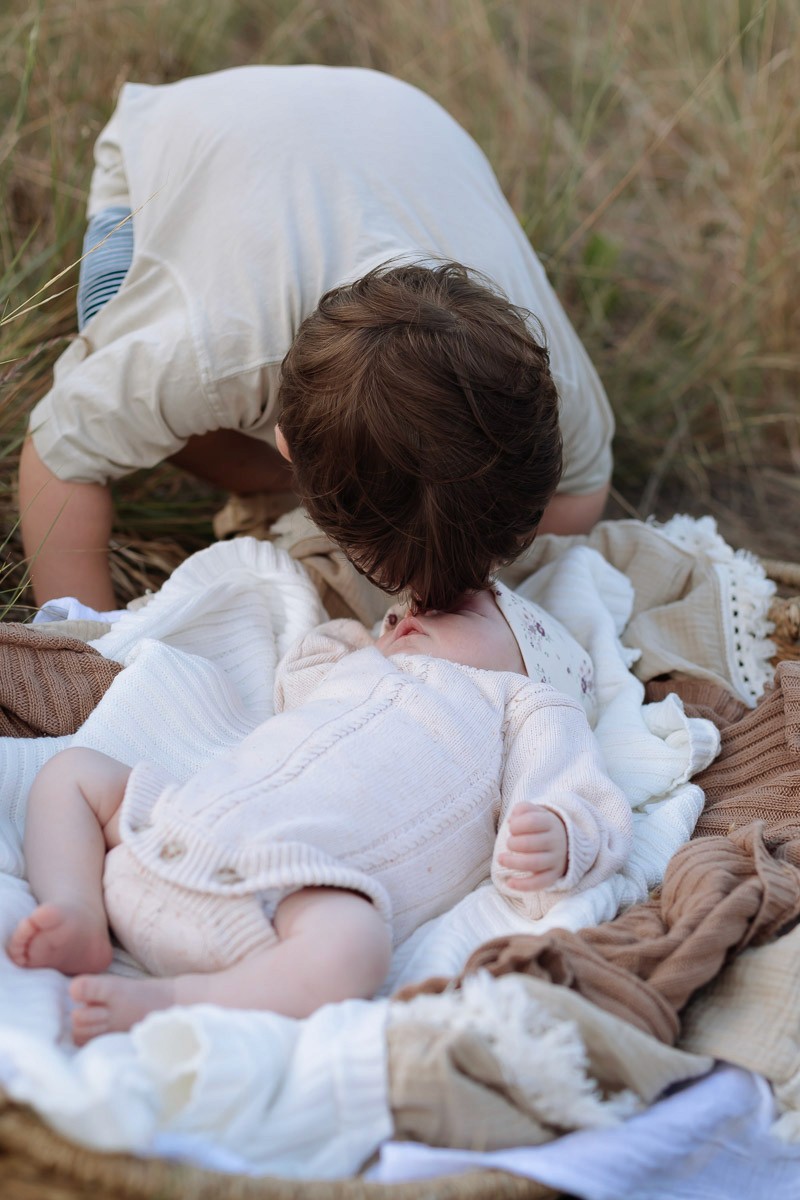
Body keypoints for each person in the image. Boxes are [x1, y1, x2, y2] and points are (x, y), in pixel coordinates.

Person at [19, 66, 614, 613]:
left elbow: (580, 493)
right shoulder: (207, 352)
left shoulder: (546, 384)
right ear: (286, 445)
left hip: (399, 119)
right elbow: (58, 458)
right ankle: (291, 485)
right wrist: (91, 651)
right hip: (190, 131)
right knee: (111, 340)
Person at [7, 583, 631, 1044]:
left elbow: (578, 791)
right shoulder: (361, 665)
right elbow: (300, 673)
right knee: (74, 773)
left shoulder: (524, 703)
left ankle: (171, 1000)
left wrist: (560, 834)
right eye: (402, 611)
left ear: (530, 655)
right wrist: (374, 636)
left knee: (355, 950)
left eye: (452, 606)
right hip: (167, 827)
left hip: (290, 897)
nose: (413, 613)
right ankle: (78, 908)